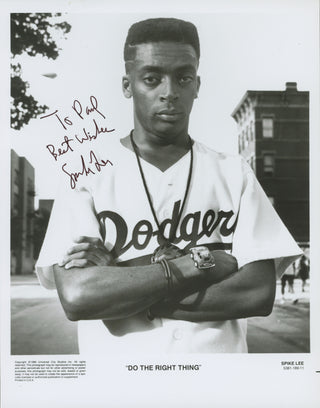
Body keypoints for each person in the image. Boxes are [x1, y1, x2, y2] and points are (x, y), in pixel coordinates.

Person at [36, 17, 302, 353]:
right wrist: (199, 265)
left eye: (183, 78)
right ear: (127, 84)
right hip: (117, 389)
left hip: (218, 387)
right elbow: (79, 297)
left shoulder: (234, 172)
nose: (170, 93)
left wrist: (124, 288)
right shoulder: (86, 174)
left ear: (197, 85)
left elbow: (257, 293)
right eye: (151, 78)